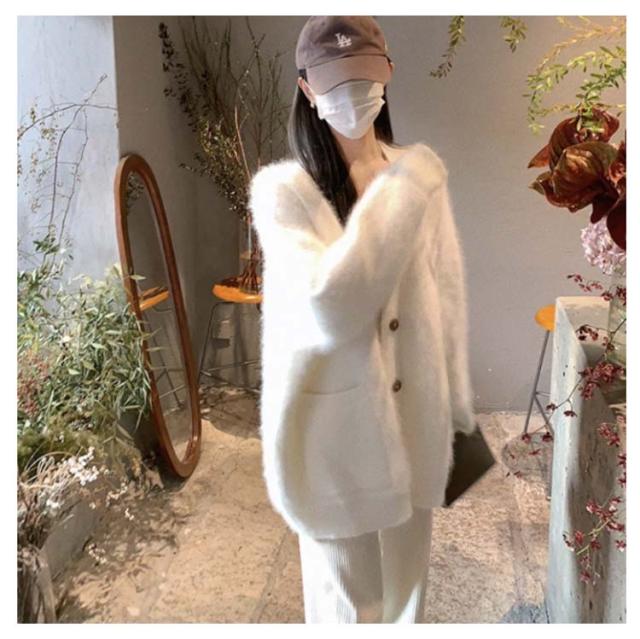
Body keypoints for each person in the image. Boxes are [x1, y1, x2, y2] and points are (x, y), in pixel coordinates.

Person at [248, 16, 476, 623]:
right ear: (306, 88)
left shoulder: (418, 177)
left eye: (364, 76)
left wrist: (456, 410)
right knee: (348, 608)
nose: (351, 93)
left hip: (415, 414)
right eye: (334, 80)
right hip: (332, 428)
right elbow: (332, 306)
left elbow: (446, 292)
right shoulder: (284, 193)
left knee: (407, 599)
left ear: (388, 74)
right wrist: (405, 185)